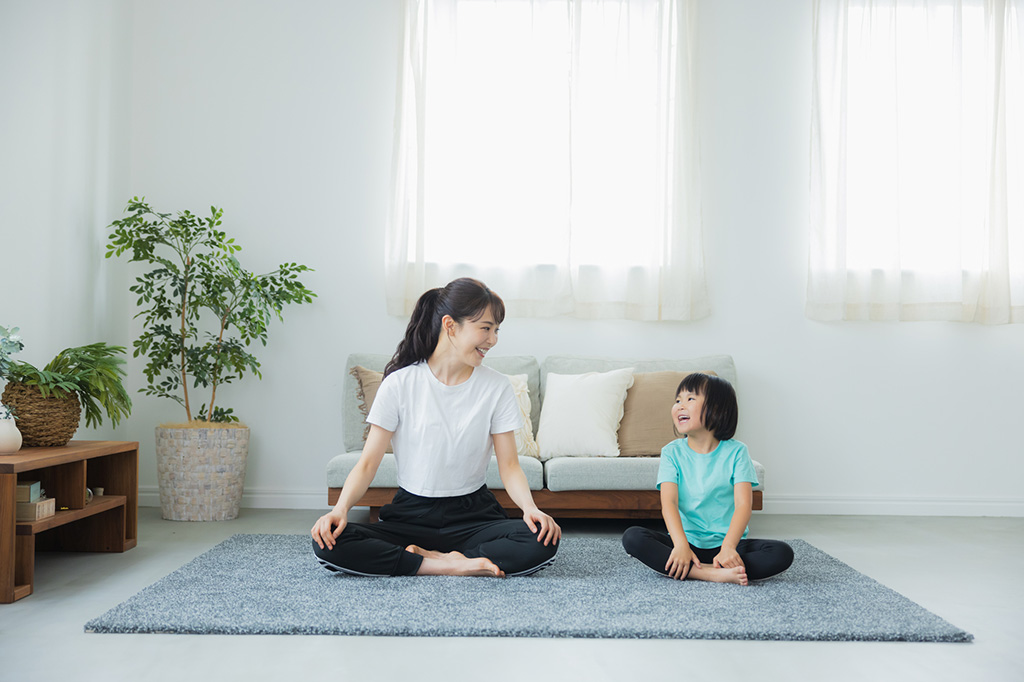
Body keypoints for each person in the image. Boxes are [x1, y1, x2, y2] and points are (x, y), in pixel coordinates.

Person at [311, 277, 560, 577]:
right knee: (327, 544)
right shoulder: (400, 384)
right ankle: (456, 564)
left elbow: (509, 466)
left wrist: (530, 509)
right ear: (450, 325)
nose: (492, 340)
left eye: (496, 330)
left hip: (473, 515)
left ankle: (425, 560)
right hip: (410, 514)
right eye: (485, 328)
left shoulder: (496, 387)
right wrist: (339, 510)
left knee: (541, 540)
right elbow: (366, 465)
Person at [621, 373, 793, 584]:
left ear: (717, 408)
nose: (680, 405)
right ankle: (709, 572)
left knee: (782, 552)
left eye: (690, 399)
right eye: (677, 400)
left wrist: (729, 547)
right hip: (686, 543)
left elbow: (743, 505)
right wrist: (681, 545)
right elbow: (669, 503)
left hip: (726, 546)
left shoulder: (737, 452)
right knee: (633, 537)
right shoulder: (671, 453)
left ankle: (698, 569)